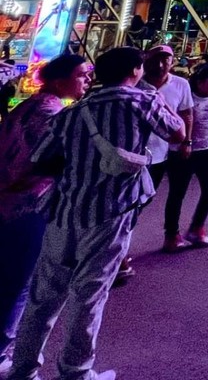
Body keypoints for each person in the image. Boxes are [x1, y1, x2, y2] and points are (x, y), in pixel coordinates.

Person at [9, 47, 185, 380]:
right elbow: (177, 133)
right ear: (135, 70)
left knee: (43, 296)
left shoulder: (72, 112)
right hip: (111, 212)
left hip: (64, 211)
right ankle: (75, 372)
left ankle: (23, 370)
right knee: (89, 294)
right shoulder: (142, 101)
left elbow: (42, 157)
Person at [0, 55, 92, 371]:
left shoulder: (29, 108)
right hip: (28, 208)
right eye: (82, 75)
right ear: (58, 79)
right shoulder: (52, 116)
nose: (87, 81)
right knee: (18, 284)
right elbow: (45, 165)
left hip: (11, 207)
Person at [163, 63, 208, 251]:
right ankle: (171, 234)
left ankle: (197, 227)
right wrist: (185, 143)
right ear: (200, 81)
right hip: (183, 151)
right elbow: (181, 120)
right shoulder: (187, 97)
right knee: (178, 192)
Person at [136, 45, 195, 254]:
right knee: (142, 197)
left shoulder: (181, 84)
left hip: (173, 147)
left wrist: (187, 142)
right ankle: (121, 243)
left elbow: (187, 114)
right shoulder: (136, 84)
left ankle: (172, 235)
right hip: (146, 152)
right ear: (146, 60)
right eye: (155, 60)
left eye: (166, 60)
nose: (161, 65)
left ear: (173, 62)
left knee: (177, 193)